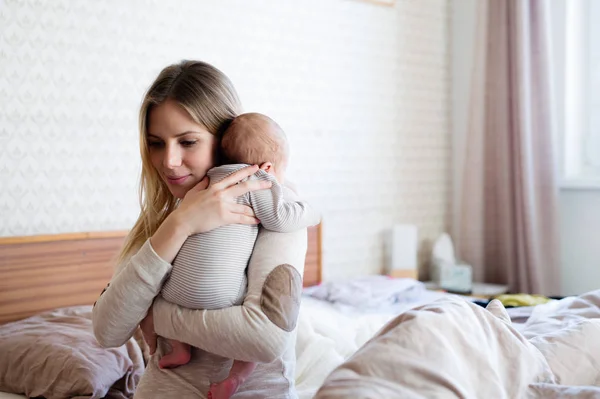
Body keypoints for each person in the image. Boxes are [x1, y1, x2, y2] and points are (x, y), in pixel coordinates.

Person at [92, 60, 309, 399]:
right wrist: (179, 225)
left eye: (188, 142)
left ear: (224, 140)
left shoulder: (272, 207)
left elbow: (265, 338)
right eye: (156, 143)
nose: (169, 161)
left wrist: (157, 313)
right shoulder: (164, 217)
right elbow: (106, 331)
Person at [156, 112, 320, 398]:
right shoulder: (256, 181)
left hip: (174, 293)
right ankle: (235, 378)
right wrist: (313, 211)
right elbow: (279, 218)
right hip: (222, 298)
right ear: (267, 167)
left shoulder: (204, 183)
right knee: (251, 304)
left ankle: (178, 349)